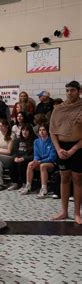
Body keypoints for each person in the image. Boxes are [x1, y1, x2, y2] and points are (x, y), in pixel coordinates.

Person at [50, 81, 82, 224]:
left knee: (77, 179)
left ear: (79, 91)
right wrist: (58, 149)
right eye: (67, 90)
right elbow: (52, 130)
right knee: (64, 178)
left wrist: (74, 149)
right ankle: (63, 211)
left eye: (72, 90)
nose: (69, 93)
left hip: (78, 147)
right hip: (61, 147)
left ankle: (77, 213)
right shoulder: (58, 108)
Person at [21, 124, 56, 198]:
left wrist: (40, 161)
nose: (42, 132)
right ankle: (28, 186)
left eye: (43, 130)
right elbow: (36, 155)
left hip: (51, 163)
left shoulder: (52, 141)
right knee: (30, 164)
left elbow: (52, 157)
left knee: (42, 166)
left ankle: (44, 189)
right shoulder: (36, 141)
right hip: (39, 161)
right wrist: (35, 161)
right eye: (40, 130)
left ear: (47, 131)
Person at [8, 124, 36, 191]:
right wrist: (15, 158)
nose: (24, 132)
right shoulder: (17, 140)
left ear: (30, 131)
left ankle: (24, 184)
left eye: (27, 130)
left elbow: (34, 155)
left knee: (22, 163)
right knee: (11, 161)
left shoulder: (34, 141)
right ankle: (15, 183)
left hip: (28, 159)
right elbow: (14, 152)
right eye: (23, 130)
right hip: (18, 158)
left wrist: (23, 158)